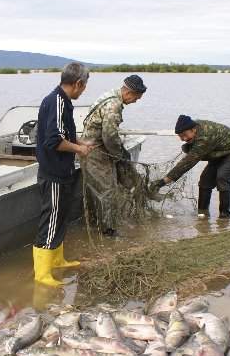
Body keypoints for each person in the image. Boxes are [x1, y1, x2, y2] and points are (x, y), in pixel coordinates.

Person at [33, 62, 95, 287]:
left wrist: (81, 142)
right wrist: (79, 150)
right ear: (78, 83)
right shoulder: (56, 102)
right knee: (50, 220)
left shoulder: (63, 101)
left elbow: (64, 133)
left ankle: (57, 261)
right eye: (84, 86)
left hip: (63, 172)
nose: (84, 90)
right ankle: (42, 274)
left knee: (60, 218)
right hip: (53, 174)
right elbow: (53, 141)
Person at [81, 74, 147, 235]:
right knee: (108, 190)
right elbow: (109, 136)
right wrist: (121, 155)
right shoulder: (114, 105)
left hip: (92, 147)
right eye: (136, 98)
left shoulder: (109, 95)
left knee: (98, 189)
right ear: (129, 93)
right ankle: (108, 231)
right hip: (95, 151)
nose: (136, 101)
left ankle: (95, 224)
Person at [152, 115, 230, 218]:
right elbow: (191, 155)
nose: (183, 139)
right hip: (219, 151)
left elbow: (188, 162)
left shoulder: (204, 138)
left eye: (185, 135)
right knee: (205, 181)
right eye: (180, 136)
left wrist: (163, 182)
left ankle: (224, 216)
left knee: (222, 177)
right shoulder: (193, 128)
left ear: (193, 129)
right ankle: (202, 214)